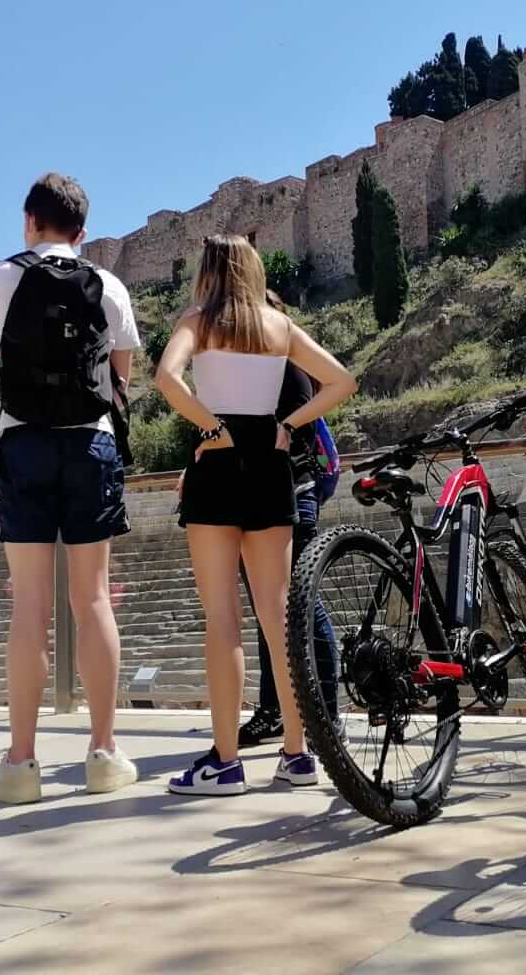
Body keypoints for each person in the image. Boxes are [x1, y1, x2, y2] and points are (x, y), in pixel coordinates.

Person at [0, 172, 141, 803]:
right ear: (83, 233)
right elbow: (121, 382)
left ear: (28, 221)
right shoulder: (111, 286)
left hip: (24, 443)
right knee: (92, 599)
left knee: (30, 605)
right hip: (90, 444)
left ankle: (20, 764)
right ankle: (103, 754)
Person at [155, 236, 356, 795]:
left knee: (223, 620)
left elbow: (166, 379)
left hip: (218, 465)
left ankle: (224, 763)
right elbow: (343, 380)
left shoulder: (198, 321)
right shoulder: (278, 327)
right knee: (279, 619)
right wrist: (289, 427)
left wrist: (211, 428)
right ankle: (297, 753)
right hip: (272, 463)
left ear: (208, 271)